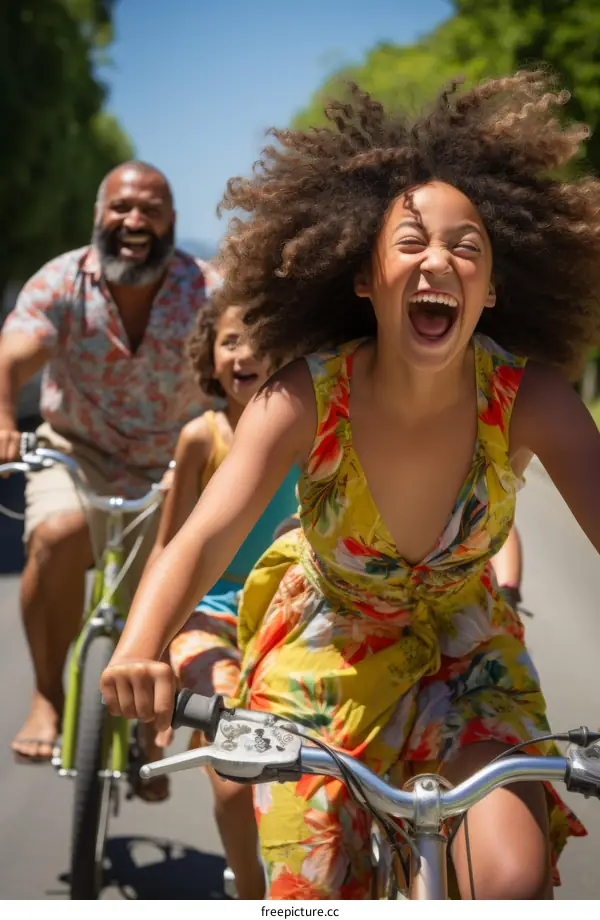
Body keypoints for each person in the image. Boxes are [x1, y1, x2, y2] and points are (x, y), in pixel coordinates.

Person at [100, 72, 600, 899]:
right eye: (410, 242)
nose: (438, 259)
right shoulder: (302, 394)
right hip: (322, 653)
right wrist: (136, 648)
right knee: (311, 893)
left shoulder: (533, 401)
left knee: (510, 880)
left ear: (492, 289)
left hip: (470, 656)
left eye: (466, 247)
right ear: (364, 276)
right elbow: (201, 537)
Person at [0, 160, 219, 762]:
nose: (134, 220)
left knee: (175, 581)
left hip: (173, 463)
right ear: (99, 215)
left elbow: (244, 356)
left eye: (151, 209)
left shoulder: (207, 290)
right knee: (58, 534)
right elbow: (14, 354)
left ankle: (152, 729)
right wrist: (3, 421)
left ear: (171, 220)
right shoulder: (61, 280)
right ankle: (47, 695)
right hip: (78, 450)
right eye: (122, 207)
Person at [135, 298, 298, 898]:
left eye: (260, 340)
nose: (244, 353)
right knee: (233, 773)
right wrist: (150, 646)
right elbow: (167, 548)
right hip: (212, 616)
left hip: (290, 617)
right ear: (209, 357)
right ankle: (251, 888)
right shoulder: (201, 438)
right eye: (230, 341)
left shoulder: (310, 432)